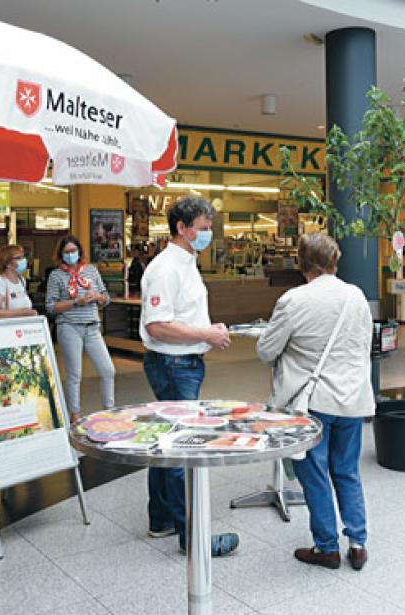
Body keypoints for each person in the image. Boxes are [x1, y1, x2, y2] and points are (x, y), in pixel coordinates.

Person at [256, 233, 375, 571]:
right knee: (347, 471)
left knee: (315, 474)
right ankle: (357, 542)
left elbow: (266, 351)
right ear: (335, 260)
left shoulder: (293, 300)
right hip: (352, 399)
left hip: (315, 403)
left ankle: (326, 547)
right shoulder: (356, 296)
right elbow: (362, 346)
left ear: (301, 262)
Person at [139, 195, 238, 558]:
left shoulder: (187, 263)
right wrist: (205, 335)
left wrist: (206, 328)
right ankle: (191, 537)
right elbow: (158, 325)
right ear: (181, 228)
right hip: (174, 366)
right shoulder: (166, 268)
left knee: (165, 441)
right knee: (182, 448)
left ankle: (161, 518)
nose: (207, 235)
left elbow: (181, 316)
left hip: (181, 364)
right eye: (203, 229)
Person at [46, 235, 115, 421]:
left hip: (92, 327)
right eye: (66, 252)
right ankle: (74, 415)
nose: (70, 255)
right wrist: (76, 302)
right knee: (74, 374)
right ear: (60, 254)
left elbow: (106, 298)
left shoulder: (91, 271)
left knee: (108, 370)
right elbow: (51, 306)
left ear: (80, 252)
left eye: (73, 251)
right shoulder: (56, 275)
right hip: (69, 327)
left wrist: (97, 297)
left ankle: (109, 410)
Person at [0, 245, 37, 319]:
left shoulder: (22, 281)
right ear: (8, 264)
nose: (23, 260)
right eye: (18, 258)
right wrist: (23, 313)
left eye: (23, 257)